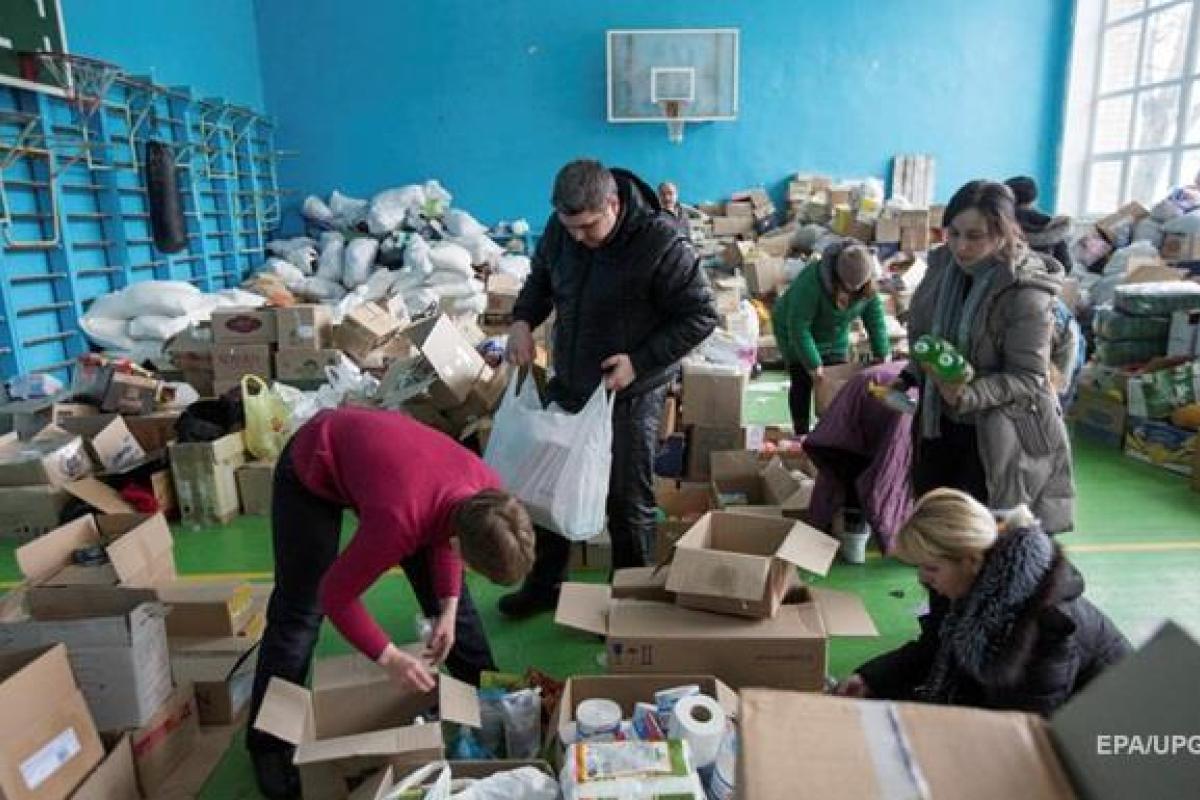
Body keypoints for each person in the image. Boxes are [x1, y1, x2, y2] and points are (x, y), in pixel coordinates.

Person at [247, 407, 535, 799]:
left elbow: (447, 536)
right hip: (314, 462)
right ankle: (267, 746)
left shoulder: (488, 493)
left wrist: (447, 609)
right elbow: (336, 595)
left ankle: (485, 694)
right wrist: (390, 657)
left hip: (398, 473)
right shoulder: (398, 521)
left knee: (452, 605)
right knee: (300, 613)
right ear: (460, 544)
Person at [498, 159, 717, 617]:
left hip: (630, 391)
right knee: (546, 486)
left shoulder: (661, 242)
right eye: (569, 225)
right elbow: (540, 281)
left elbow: (700, 315)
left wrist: (639, 362)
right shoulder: (563, 232)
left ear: (613, 204)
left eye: (588, 226)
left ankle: (631, 603)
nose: (578, 236)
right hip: (572, 379)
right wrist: (521, 320)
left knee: (626, 501)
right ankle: (545, 587)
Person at [836, 489, 1130, 716]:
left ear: (972, 561)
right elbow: (936, 648)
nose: (924, 580)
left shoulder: (1045, 628)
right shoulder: (971, 582)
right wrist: (872, 678)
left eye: (931, 568)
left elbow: (1023, 726)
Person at [893, 180, 1075, 533]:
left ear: (1003, 232)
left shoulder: (1025, 292)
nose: (961, 246)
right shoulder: (941, 270)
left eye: (975, 236)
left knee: (978, 544)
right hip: (936, 427)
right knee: (936, 534)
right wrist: (912, 376)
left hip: (995, 436)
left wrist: (968, 395)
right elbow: (927, 338)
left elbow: (1030, 377)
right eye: (954, 233)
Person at [773, 240, 890, 434]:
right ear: (837, 277)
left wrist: (882, 352)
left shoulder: (866, 286)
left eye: (858, 288)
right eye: (848, 287)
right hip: (793, 330)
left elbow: (874, 318)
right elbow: (799, 326)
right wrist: (813, 364)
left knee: (838, 381)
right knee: (802, 378)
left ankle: (834, 430)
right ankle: (801, 432)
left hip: (835, 333)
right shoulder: (811, 282)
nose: (854, 292)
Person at [1005, 175, 1074, 274]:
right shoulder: (1051, 225)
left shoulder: (999, 222)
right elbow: (1066, 265)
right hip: (1046, 281)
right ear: (1034, 197)